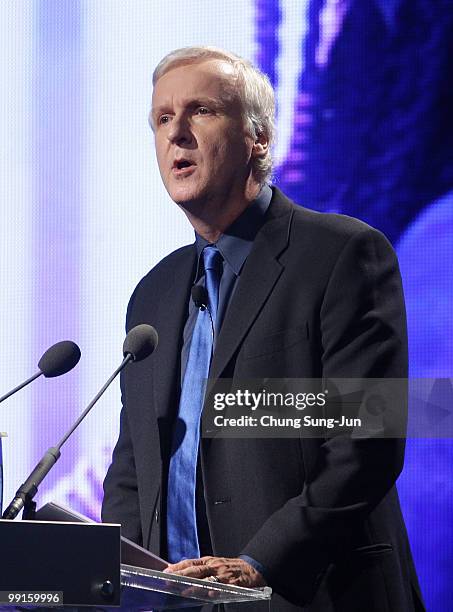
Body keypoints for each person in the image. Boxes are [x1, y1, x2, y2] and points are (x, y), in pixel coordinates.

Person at [102, 46, 424, 611]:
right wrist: (123, 576)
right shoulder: (151, 294)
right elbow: (134, 464)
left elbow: (365, 443)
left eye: (200, 111)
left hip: (312, 593)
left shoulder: (341, 254)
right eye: (162, 118)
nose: (176, 133)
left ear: (258, 139)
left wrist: (259, 563)